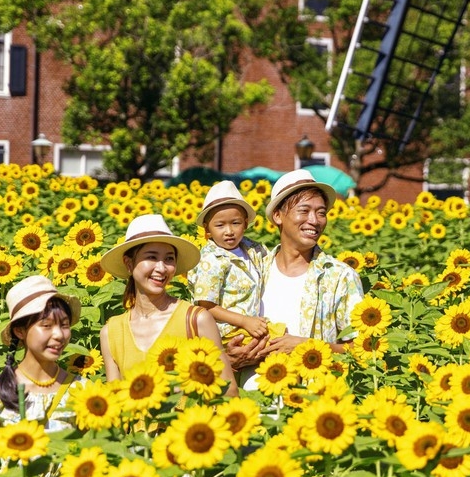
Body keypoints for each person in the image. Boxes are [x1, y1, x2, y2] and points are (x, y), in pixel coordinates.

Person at [226, 169, 363, 378]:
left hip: (308, 403)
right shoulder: (251, 270)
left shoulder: (340, 277)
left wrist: (308, 347)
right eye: (304, 210)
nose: (315, 221)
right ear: (278, 216)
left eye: (321, 212)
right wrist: (230, 360)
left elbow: (362, 351)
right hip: (246, 404)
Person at [0, 275, 83, 477]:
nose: (59, 335)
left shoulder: (82, 392)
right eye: (46, 326)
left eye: (64, 325)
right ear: (20, 331)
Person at [98, 214, 237, 394]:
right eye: (152, 257)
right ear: (129, 263)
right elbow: (114, 399)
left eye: (169, 259)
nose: (162, 268)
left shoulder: (196, 319)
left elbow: (229, 389)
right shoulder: (112, 332)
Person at [189, 180, 271, 344]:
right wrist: (244, 321)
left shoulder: (252, 249)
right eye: (220, 225)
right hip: (226, 333)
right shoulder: (210, 259)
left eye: (236, 223)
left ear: (245, 223)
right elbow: (206, 305)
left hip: (249, 327)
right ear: (207, 229)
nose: (229, 231)